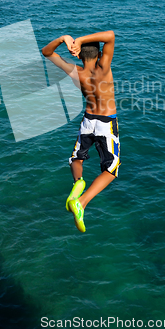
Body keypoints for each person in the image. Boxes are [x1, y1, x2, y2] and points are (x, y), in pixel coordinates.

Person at [42, 31, 121, 233]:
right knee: (111, 169)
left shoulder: (76, 71)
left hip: (88, 120)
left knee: (77, 158)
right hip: (105, 122)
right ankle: (82, 202)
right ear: (100, 54)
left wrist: (64, 39)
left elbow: (46, 52)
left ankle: (78, 182)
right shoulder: (103, 68)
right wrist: (82, 40)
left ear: (79, 56)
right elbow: (110, 35)